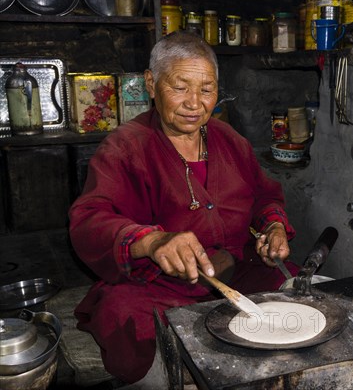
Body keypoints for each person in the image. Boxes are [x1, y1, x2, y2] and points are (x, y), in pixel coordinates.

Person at [69, 31, 298, 384]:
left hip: (238, 274)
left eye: (206, 89)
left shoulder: (230, 140)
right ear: (151, 83)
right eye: (180, 87)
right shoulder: (124, 148)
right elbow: (89, 219)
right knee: (123, 314)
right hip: (161, 286)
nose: (195, 103)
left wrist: (273, 228)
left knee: (296, 291)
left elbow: (265, 197)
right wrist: (153, 242)